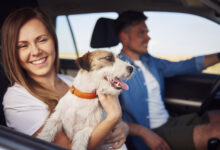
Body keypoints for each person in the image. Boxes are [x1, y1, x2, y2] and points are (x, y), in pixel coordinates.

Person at [1, 7, 128, 150]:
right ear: (13, 53)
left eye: (42, 40)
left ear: (53, 41)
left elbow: (103, 121)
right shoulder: (17, 98)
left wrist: (122, 127)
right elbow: (67, 147)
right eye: (23, 46)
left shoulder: (70, 81)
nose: (36, 51)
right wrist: (114, 117)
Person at [114, 10, 220, 150]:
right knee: (216, 133)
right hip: (148, 134)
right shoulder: (114, 69)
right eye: (141, 32)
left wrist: (218, 56)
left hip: (168, 122)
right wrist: (143, 132)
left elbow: (184, 66)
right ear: (125, 37)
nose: (148, 38)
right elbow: (109, 119)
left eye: (147, 32)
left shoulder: (150, 62)